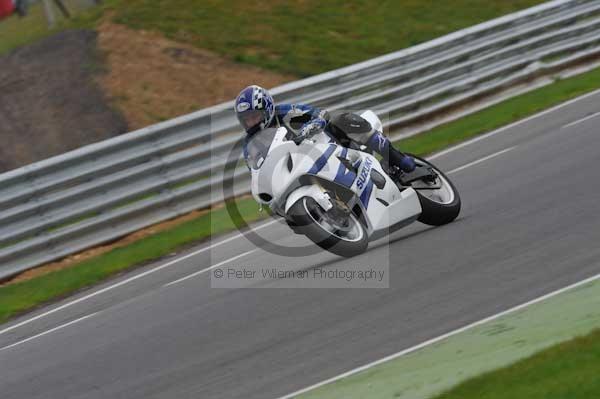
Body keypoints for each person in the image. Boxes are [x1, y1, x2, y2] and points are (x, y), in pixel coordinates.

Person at [234, 85, 416, 173]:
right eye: (247, 119)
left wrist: (312, 126)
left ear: (266, 108)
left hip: (328, 144)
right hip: (301, 169)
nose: (251, 122)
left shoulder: (284, 113)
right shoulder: (250, 145)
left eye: (254, 116)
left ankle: (398, 159)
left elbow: (319, 113)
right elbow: (256, 170)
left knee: (342, 119)